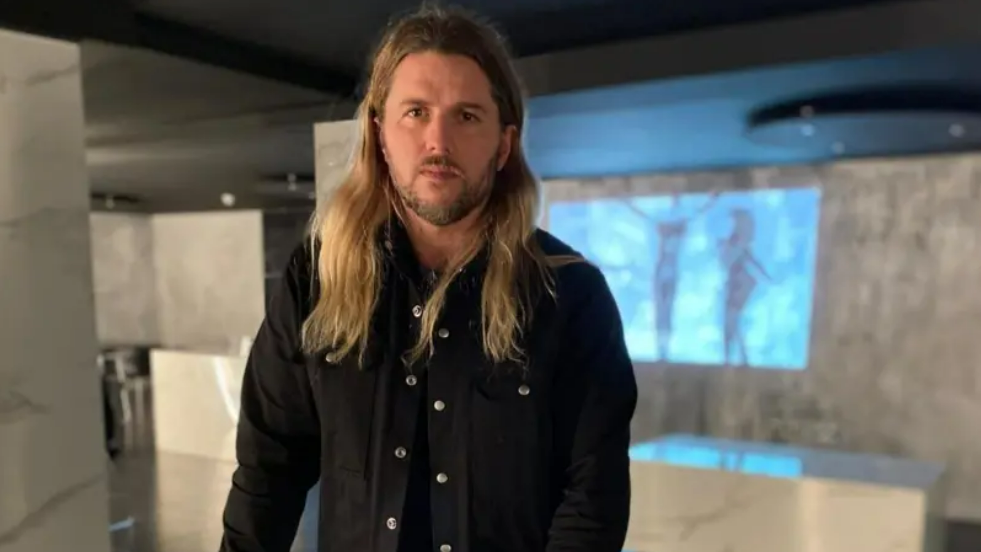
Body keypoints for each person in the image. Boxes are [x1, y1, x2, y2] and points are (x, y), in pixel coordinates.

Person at [219, 6, 638, 552]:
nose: (437, 141)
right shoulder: (317, 278)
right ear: (380, 134)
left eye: (466, 116)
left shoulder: (572, 297)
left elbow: (592, 501)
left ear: (503, 144)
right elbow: (266, 474)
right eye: (415, 112)